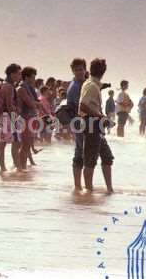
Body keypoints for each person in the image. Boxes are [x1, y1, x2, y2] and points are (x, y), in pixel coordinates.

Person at [79, 58, 114, 194]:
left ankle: (109, 189)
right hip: (91, 123)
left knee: (107, 157)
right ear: (103, 72)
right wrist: (100, 116)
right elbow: (83, 105)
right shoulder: (91, 86)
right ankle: (88, 190)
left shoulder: (92, 84)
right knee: (90, 159)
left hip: (95, 123)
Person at [0, 63, 21, 173]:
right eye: (18, 74)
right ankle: (7, 167)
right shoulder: (9, 87)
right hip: (8, 116)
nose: (20, 76)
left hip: (4, 116)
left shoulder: (5, 85)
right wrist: (14, 118)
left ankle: (13, 166)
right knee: (5, 142)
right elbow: (9, 104)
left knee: (11, 141)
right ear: (12, 74)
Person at [16, 67, 42, 172]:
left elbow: (34, 103)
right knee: (25, 145)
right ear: (27, 77)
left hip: (30, 118)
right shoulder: (22, 88)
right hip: (25, 118)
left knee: (26, 145)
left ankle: (22, 167)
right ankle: (21, 168)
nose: (34, 79)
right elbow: (31, 104)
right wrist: (37, 104)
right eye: (33, 77)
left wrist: (36, 104)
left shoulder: (29, 88)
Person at [67, 58, 86, 191]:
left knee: (81, 152)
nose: (79, 72)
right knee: (80, 153)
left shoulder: (81, 84)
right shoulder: (75, 87)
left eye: (81, 69)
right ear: (73, 71)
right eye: (77, 70)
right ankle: (78, 186)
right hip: (79, 122)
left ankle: (79, 185)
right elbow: (80, 107)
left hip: (81, 122)